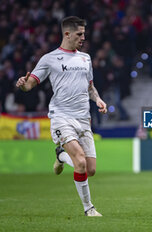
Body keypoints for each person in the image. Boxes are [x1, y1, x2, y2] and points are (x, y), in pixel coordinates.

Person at [16, 16, 107, 217]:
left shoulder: (86, 58)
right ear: (67, 34)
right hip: (61, 116)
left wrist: (98, 100)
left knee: (89, 169)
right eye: (79, 34)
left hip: (83, 119)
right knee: (80, 162)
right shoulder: (50, 58)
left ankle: (60, 156)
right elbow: (30, 84)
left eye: (84, 33)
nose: (83, 37)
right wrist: (23, 84)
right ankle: (88, 208)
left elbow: (90, 88)